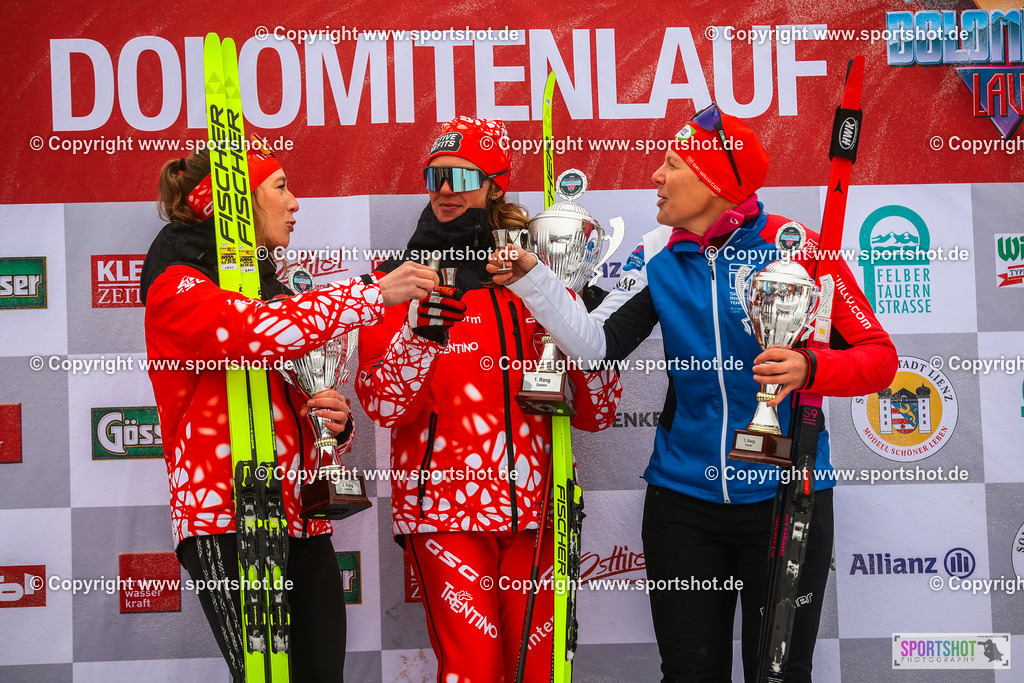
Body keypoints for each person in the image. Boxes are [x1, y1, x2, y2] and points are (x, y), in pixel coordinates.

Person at [489, 105, 898, 682]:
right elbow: (595, 347)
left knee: (779, 675)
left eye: (672, 164)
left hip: (785, 497)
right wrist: (536, 279)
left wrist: (810, 366)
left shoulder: (797, 245)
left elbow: (879, 360)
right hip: (683, 502)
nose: (656, 176)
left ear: (713, 181)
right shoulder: (656, 252)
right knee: (688, 676)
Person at [141, 137, 436, 681]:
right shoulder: (176, 284)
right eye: (281, 187)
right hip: (228, 517)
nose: (295, 202)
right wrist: (373, 293)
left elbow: (291, 397)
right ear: (237, 204)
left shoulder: (270, 289)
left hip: (301, 519)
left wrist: (333, 427)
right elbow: (253, 333)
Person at [355, 116, 622, 682]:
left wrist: (572, 321)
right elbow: (384, 406)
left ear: (495, 184)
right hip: (445, 511)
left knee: (540, 672)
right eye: (433, 177)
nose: (444, 190)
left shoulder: (538, 276)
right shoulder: (396, 282)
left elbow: (599, 413)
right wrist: (420, 336)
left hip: (540, 510)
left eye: (459, 176)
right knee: (473, 672)